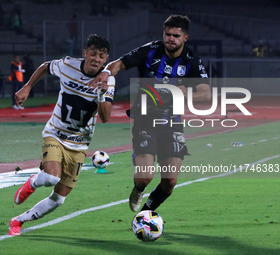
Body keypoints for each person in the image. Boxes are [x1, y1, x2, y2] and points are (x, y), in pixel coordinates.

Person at [89, 15, 211, 213]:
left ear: (185, 38)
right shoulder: (150, 51)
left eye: (176, 35)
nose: (170, 38)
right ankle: (138, 189)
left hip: (173, 123)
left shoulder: (191, 60)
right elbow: (119, 63)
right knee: (145, 177)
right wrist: (106, 72)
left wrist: (188, 92)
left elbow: (206, 93)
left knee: (170, 181)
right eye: (167, 34)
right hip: (145, 120)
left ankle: (146, 212)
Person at [8, 34, 115, 236]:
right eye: (93, 53)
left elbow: (105, 117)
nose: (96, 59)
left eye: (101, 56)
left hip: (80, 144)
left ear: (106, 59)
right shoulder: (68, 65)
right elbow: (45, 66)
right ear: (85, 53)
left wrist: (102, 93)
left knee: (59, 199)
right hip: (55, 133)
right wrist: (27, 86)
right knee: (49, 177)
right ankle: (33, 181)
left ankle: (18, 221)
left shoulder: (108, 81)